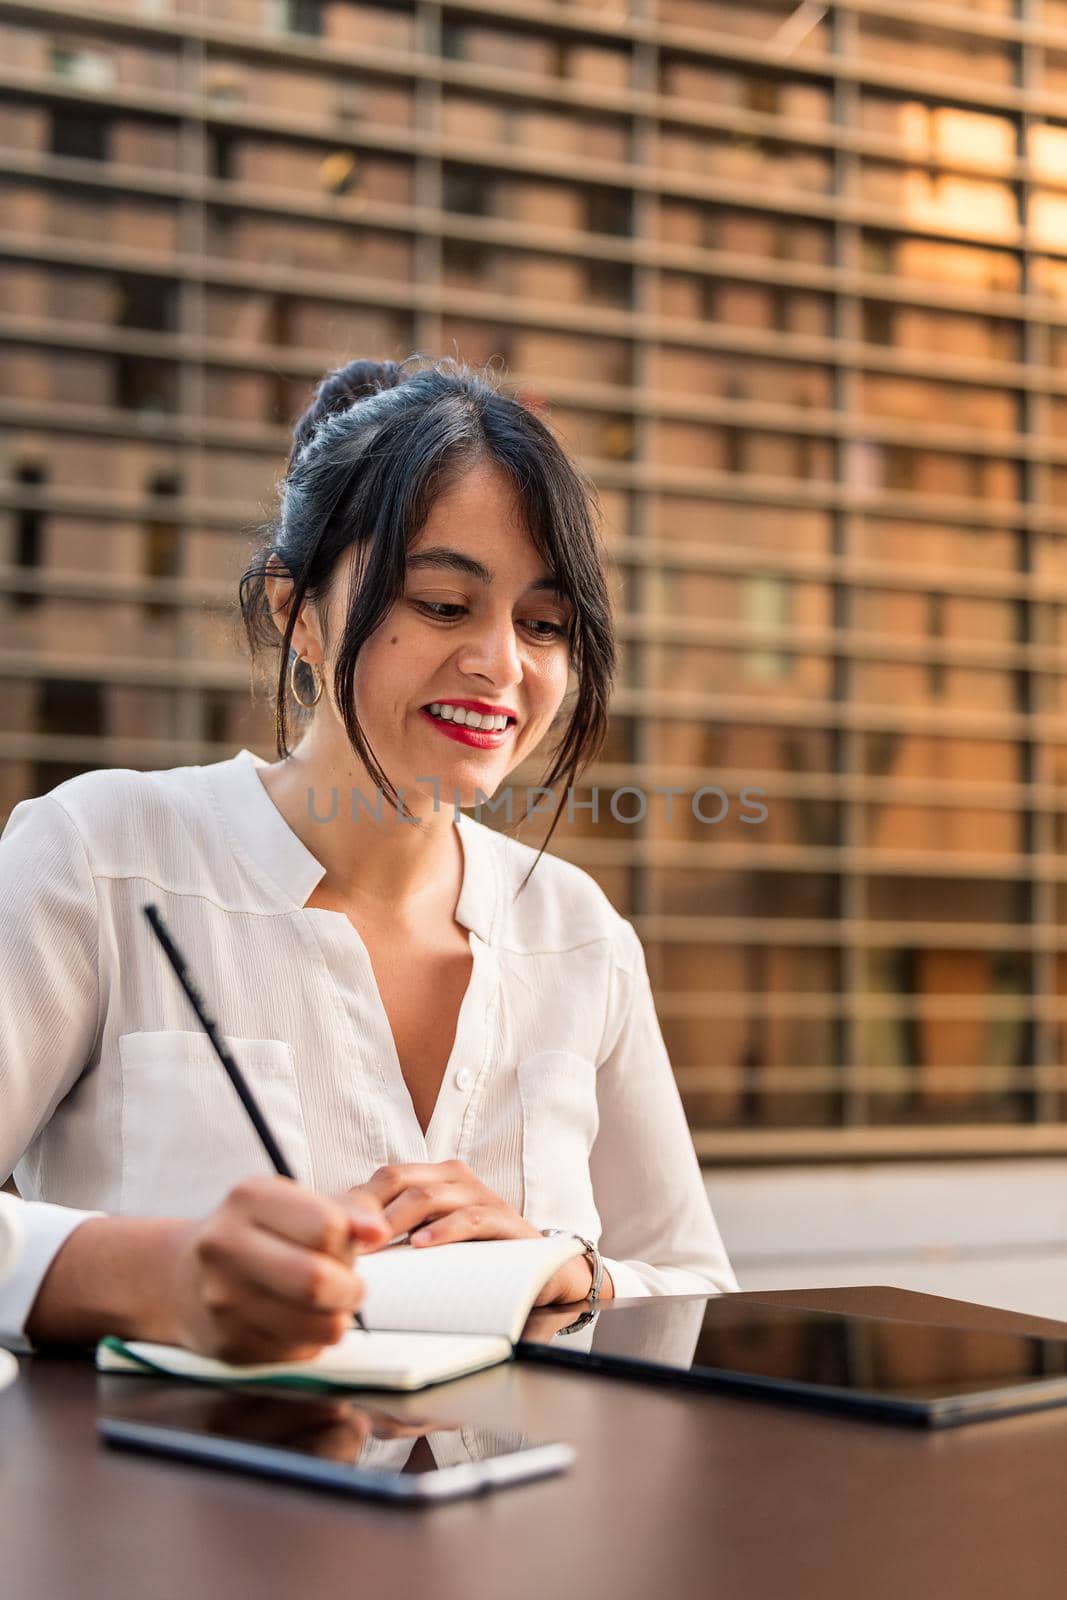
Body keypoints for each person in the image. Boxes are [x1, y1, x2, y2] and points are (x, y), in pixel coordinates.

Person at [0, 355, 737, 1361]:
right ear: (295, 612)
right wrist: (154, 1276)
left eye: (544, 624)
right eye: (442, 604)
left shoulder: (576, 935)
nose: (500, 663)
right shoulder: (102, 858)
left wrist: (566, 1270)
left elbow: (694, 1291)